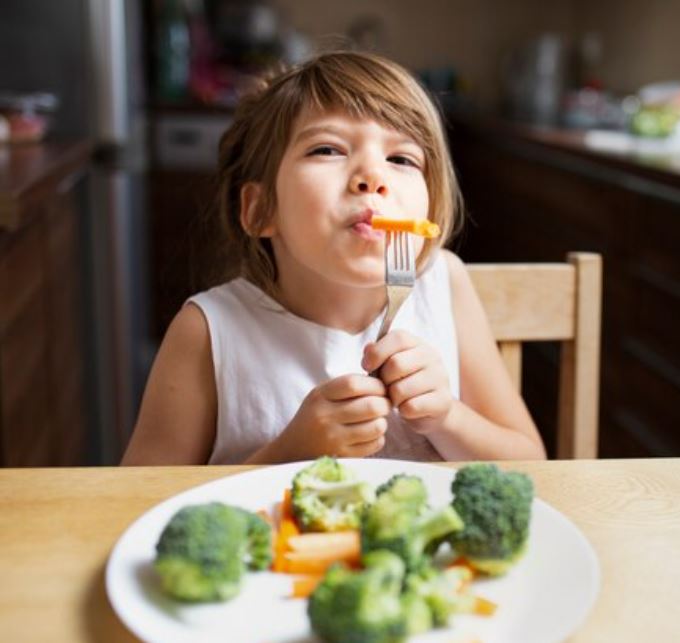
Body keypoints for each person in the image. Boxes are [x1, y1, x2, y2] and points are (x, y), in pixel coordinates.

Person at [122, 51, 546, 465]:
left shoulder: (443, 282)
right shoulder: (208, 332)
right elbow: (135, 501)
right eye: (328, 149)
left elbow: (532, 461)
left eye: (401, 158)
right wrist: (288, 454)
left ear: (430, 211)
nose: (373, 177)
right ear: (260, 209)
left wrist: (447, 418)